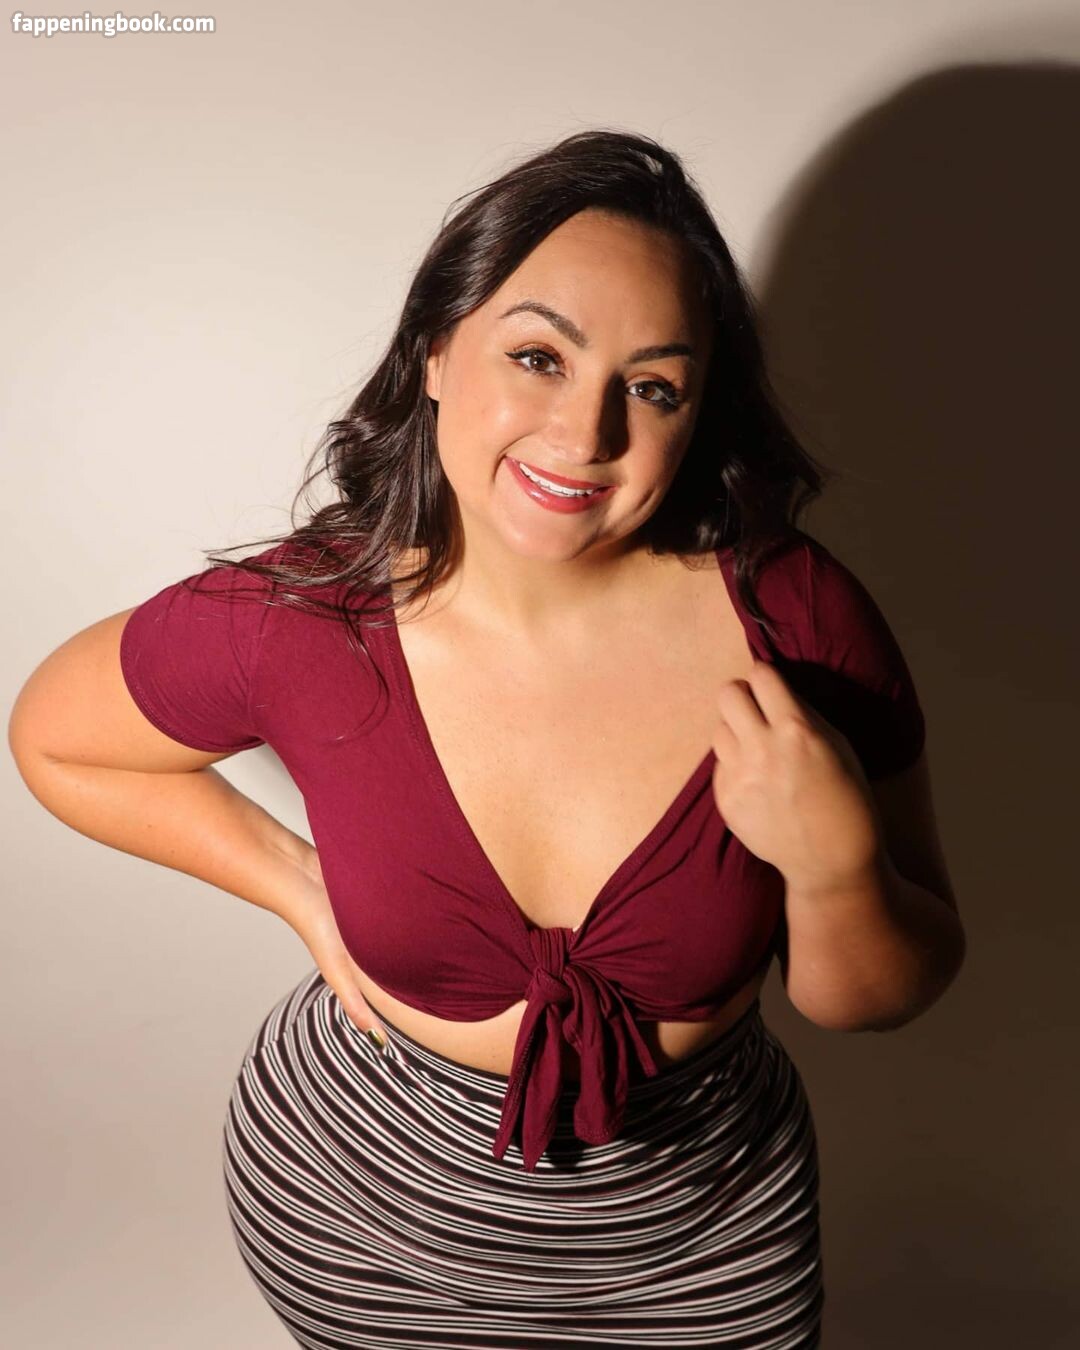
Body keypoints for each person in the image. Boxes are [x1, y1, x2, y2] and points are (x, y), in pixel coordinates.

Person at [8, 128, 965, 1349]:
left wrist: (835, 870)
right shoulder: (304, 619)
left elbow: (880, 996)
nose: (585, 434)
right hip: (359, 1217)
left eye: (652, 386)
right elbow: (59, 740)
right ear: (436, 353)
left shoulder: (797, 620)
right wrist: (300, 890)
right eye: (538, 356)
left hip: (702, 1240)